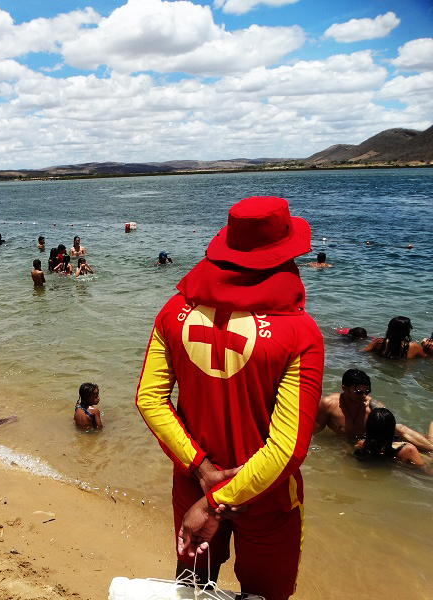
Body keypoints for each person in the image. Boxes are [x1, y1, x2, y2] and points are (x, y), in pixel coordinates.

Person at [136, 196, 324, 600]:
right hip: (266, 497)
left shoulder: (173, 311)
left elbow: (149, 399)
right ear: (284, 254)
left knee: (193, 587)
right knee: (265, 596)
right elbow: (287, 448)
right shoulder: (300, 333)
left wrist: (204, 474)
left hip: (194, 486)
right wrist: (220, 498)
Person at [314, 369, 433, 452]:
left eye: (367, 391)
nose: (364, 395)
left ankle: (431, 446)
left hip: (371, 440)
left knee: (400, 428)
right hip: (348, 444)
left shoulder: (372, 405)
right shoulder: (328, 404)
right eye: (359, 392)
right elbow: (316, 429)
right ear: (344, 388)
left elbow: (386, 430)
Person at [354, 408, 431, 470]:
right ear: (393, 429)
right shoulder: (408, 450)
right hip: (426, 456)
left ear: (368, 428)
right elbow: (424, 470)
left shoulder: (362, 445)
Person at [363, 316, 431, 359]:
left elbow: (363, 352)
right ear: (406, 330)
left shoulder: (379, 342)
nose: (412, 328)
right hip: (402, 375)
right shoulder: (414, 346)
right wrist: (426, 346)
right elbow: (426, 358)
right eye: (410, 326)